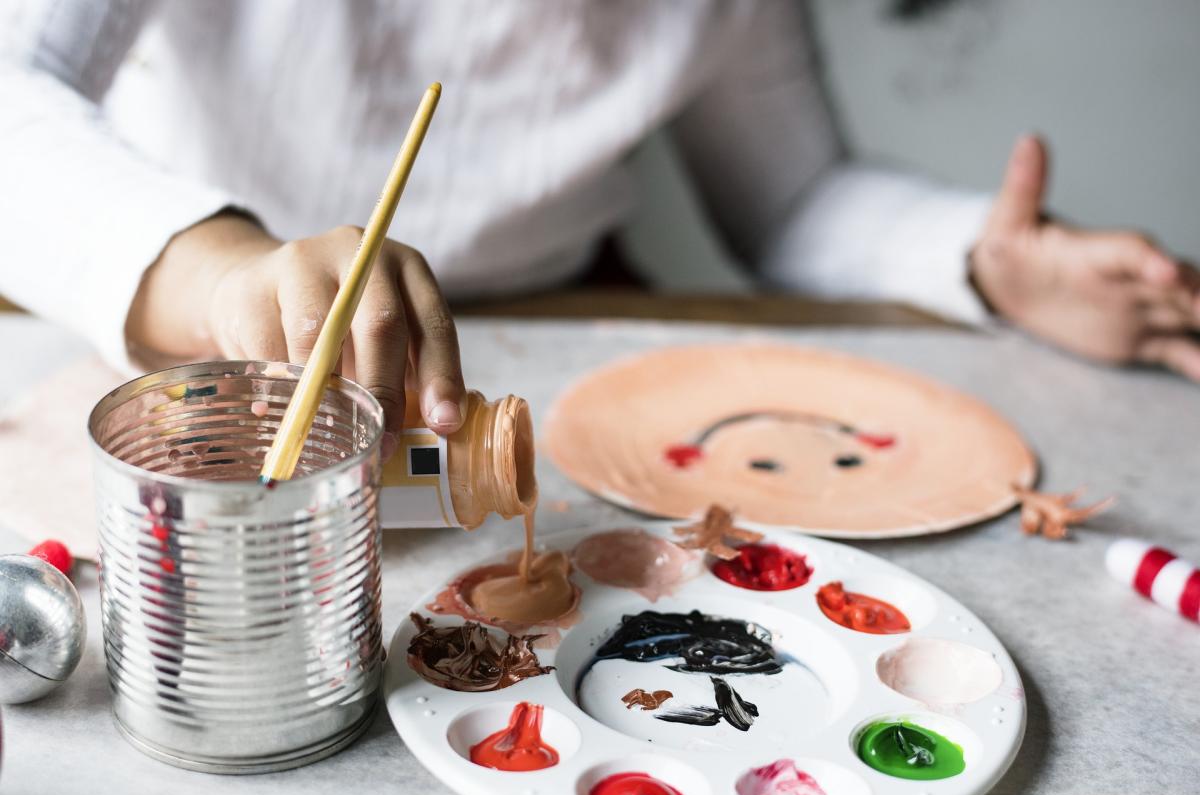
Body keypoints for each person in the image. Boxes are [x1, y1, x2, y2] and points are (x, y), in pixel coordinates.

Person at [2, 1, 1196, 461]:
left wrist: (983, 269)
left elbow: (791, 201)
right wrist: (227, 274)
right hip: (209, 323)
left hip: (555, 331)